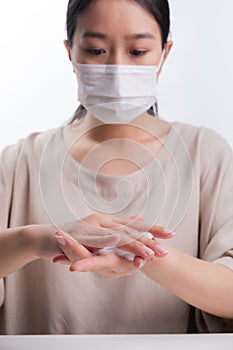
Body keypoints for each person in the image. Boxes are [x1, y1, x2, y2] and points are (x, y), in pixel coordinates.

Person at [0, 0, 233, 335]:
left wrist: (147, 256)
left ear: (164, 54)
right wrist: (35, 240)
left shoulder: (205, 154)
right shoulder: (19, 161)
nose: (117, 69)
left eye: (137, 52)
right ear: (70, 53)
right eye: (96, 51)